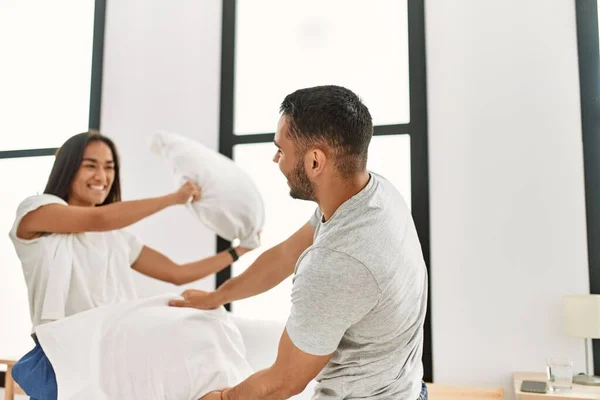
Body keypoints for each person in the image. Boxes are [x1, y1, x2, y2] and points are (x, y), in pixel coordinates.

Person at [169, 85, 429, 400]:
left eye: (282, 149)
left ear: (315, 162)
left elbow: (283, 382)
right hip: (407, 390)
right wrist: (218, 296)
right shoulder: (371, 193)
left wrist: (222, 398)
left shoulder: (338, 262)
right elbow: (286, 254)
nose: (276, 158)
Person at [9, 130, 251, 400]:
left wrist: (237, 251)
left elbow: (177, 273)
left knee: (208, 322)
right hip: (65, 350)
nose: (102, 177)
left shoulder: (117, 238)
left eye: (109, 167)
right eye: (90, 165)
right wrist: (174, 198)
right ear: (67, 167)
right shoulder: (36, 211)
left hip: (112, 352)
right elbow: (97, 220)